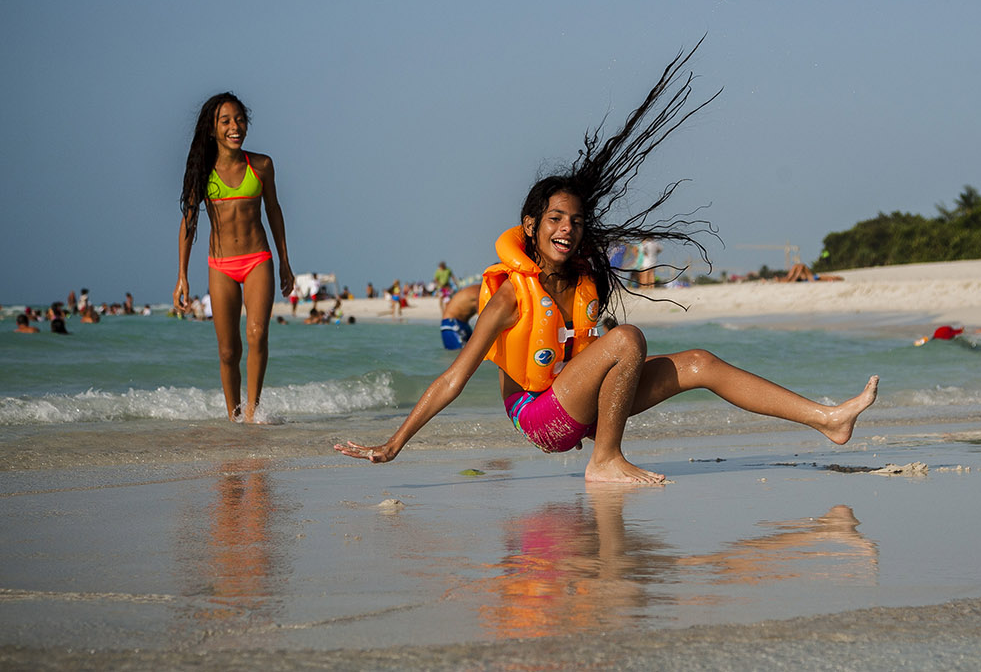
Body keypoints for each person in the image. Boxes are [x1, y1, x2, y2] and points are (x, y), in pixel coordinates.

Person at [336, 45, 878, 484]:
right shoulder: (509, 296)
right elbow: (454, 378)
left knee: (699, 362)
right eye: (553, 219)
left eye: (574, 220)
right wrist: (395, 442)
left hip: (581, 404)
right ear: (530, 226)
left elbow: (595, 349)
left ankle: (827, 419)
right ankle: (605, 462)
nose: (566, 228)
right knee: (628, 339)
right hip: (539, 416)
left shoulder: (582, 281)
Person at [175, 92, 295, 423]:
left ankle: (253, 414)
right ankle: (234, 419)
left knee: (257, 334)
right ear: (212, 129)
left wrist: (285, 261)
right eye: (225, 121)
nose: (235, 126)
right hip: (221, 266)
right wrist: (182, 275)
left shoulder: (261, 165)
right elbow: (189, 221)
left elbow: (273, 211)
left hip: (258, 259)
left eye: (239, 119)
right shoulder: (202, 171)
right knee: (229, 351)